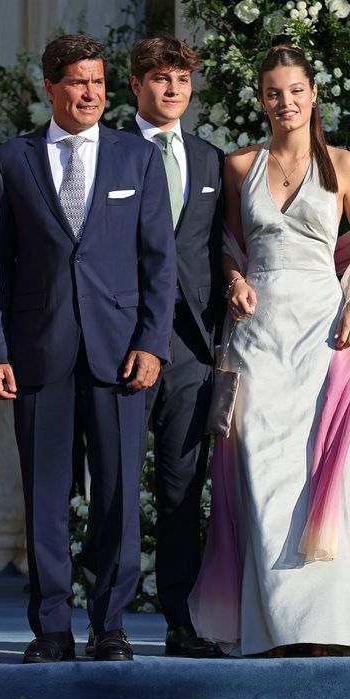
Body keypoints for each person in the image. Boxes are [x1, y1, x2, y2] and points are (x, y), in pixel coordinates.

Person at [187, 45, 350, 656]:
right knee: (263, 471)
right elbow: (230, 243)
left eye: (296, 91)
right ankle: (276, 628)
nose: (286, 103)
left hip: (322, 332)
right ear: (261, 98)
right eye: (274, 93)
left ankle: (333, 625)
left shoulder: (343, 167)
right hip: (257, 336)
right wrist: (234, 279)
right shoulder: (238, 166)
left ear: (313, 95)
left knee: (319, 467)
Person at [0, 34, 176, 663]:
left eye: (97, 81)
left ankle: (110, 625)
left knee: (117, 492)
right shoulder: (11, 161)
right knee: (46, 497)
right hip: (39, 350)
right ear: (51, 88)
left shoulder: (135, 159)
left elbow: (159, 263)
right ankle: (52, 628)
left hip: (120, 355)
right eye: (77, 82)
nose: (90, 93)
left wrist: (152, 344)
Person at [122, 35, 225, 659]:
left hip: (191, 346)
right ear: (136, 85)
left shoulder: (212, 160)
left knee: (183, 490)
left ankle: (181, 623)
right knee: (116, 486)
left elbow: (220, 248)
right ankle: (108, 622)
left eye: (181, 81)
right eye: (160, 80)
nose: (172, 91)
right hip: (126, 344)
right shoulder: (107, 153)